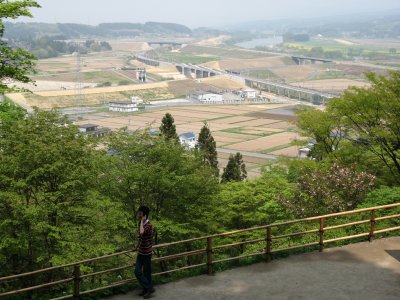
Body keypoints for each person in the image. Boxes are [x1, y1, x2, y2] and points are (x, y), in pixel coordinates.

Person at [135, 206, 155, 299]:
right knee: (137, 271)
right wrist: (137, 246)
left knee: (147, 272)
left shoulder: (149, 225)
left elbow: (142, 233)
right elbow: (140, 237)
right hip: (141, 252)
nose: (139, 214)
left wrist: (142, 222)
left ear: (144, 214)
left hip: (147, 253)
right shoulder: (141, 223)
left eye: (140, 212)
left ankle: (147, 289)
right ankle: (149, 287)